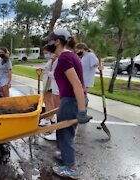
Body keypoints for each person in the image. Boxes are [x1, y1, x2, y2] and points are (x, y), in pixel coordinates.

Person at [43, 28, 90, 179]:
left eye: (50, 41)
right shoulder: (69, 55)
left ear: (57, 41)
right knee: (63, 132)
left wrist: (81, 110)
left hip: (72, 100)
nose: (48, 44)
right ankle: (65, 157)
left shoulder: (64, 57)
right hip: (69, 99)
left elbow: (77, 84)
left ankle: (71, 168)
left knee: (65, 134)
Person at [40, 44, 60, 141]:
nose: (44, 53)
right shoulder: (51, 60)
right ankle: (50, 119)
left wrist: (46, 88)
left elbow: (50, 75)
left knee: (51, 104)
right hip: (50, 84)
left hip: (52, 85)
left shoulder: (54, 60)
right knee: (48, 102)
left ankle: (53, 125)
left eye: (45, 52)